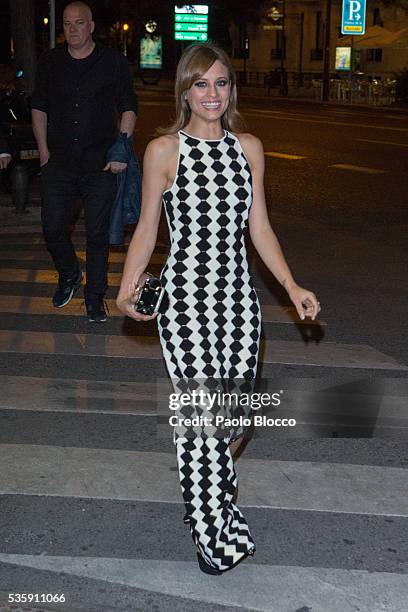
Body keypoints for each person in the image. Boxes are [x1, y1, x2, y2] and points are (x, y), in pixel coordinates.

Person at [116, 43, 321, 574]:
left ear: (232, 89)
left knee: (230, 421)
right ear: (184, 90)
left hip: (238, 301)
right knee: (202, 419)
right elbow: (146, 229)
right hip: (186, 300)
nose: (212, 94)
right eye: (201, 84)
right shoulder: (165, 151)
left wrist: (291, 284)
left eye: (222, 83)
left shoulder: (248, 147)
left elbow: (260, 227)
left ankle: (202, 490)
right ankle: (213, 534)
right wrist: (127, 286)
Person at [31, 1, 138, 322]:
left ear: (91, 25)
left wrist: (121, 148)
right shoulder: (50, 62)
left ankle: (95, 299)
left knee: (97, 235)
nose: (72, 29)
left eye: (79, 23)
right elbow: (39, 107)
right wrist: (43, 152)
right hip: (59, 161)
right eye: (67, 24)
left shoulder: (112, 62)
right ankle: (68, 274)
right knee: (52, 228)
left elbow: (129, 107)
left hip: (100, 162)